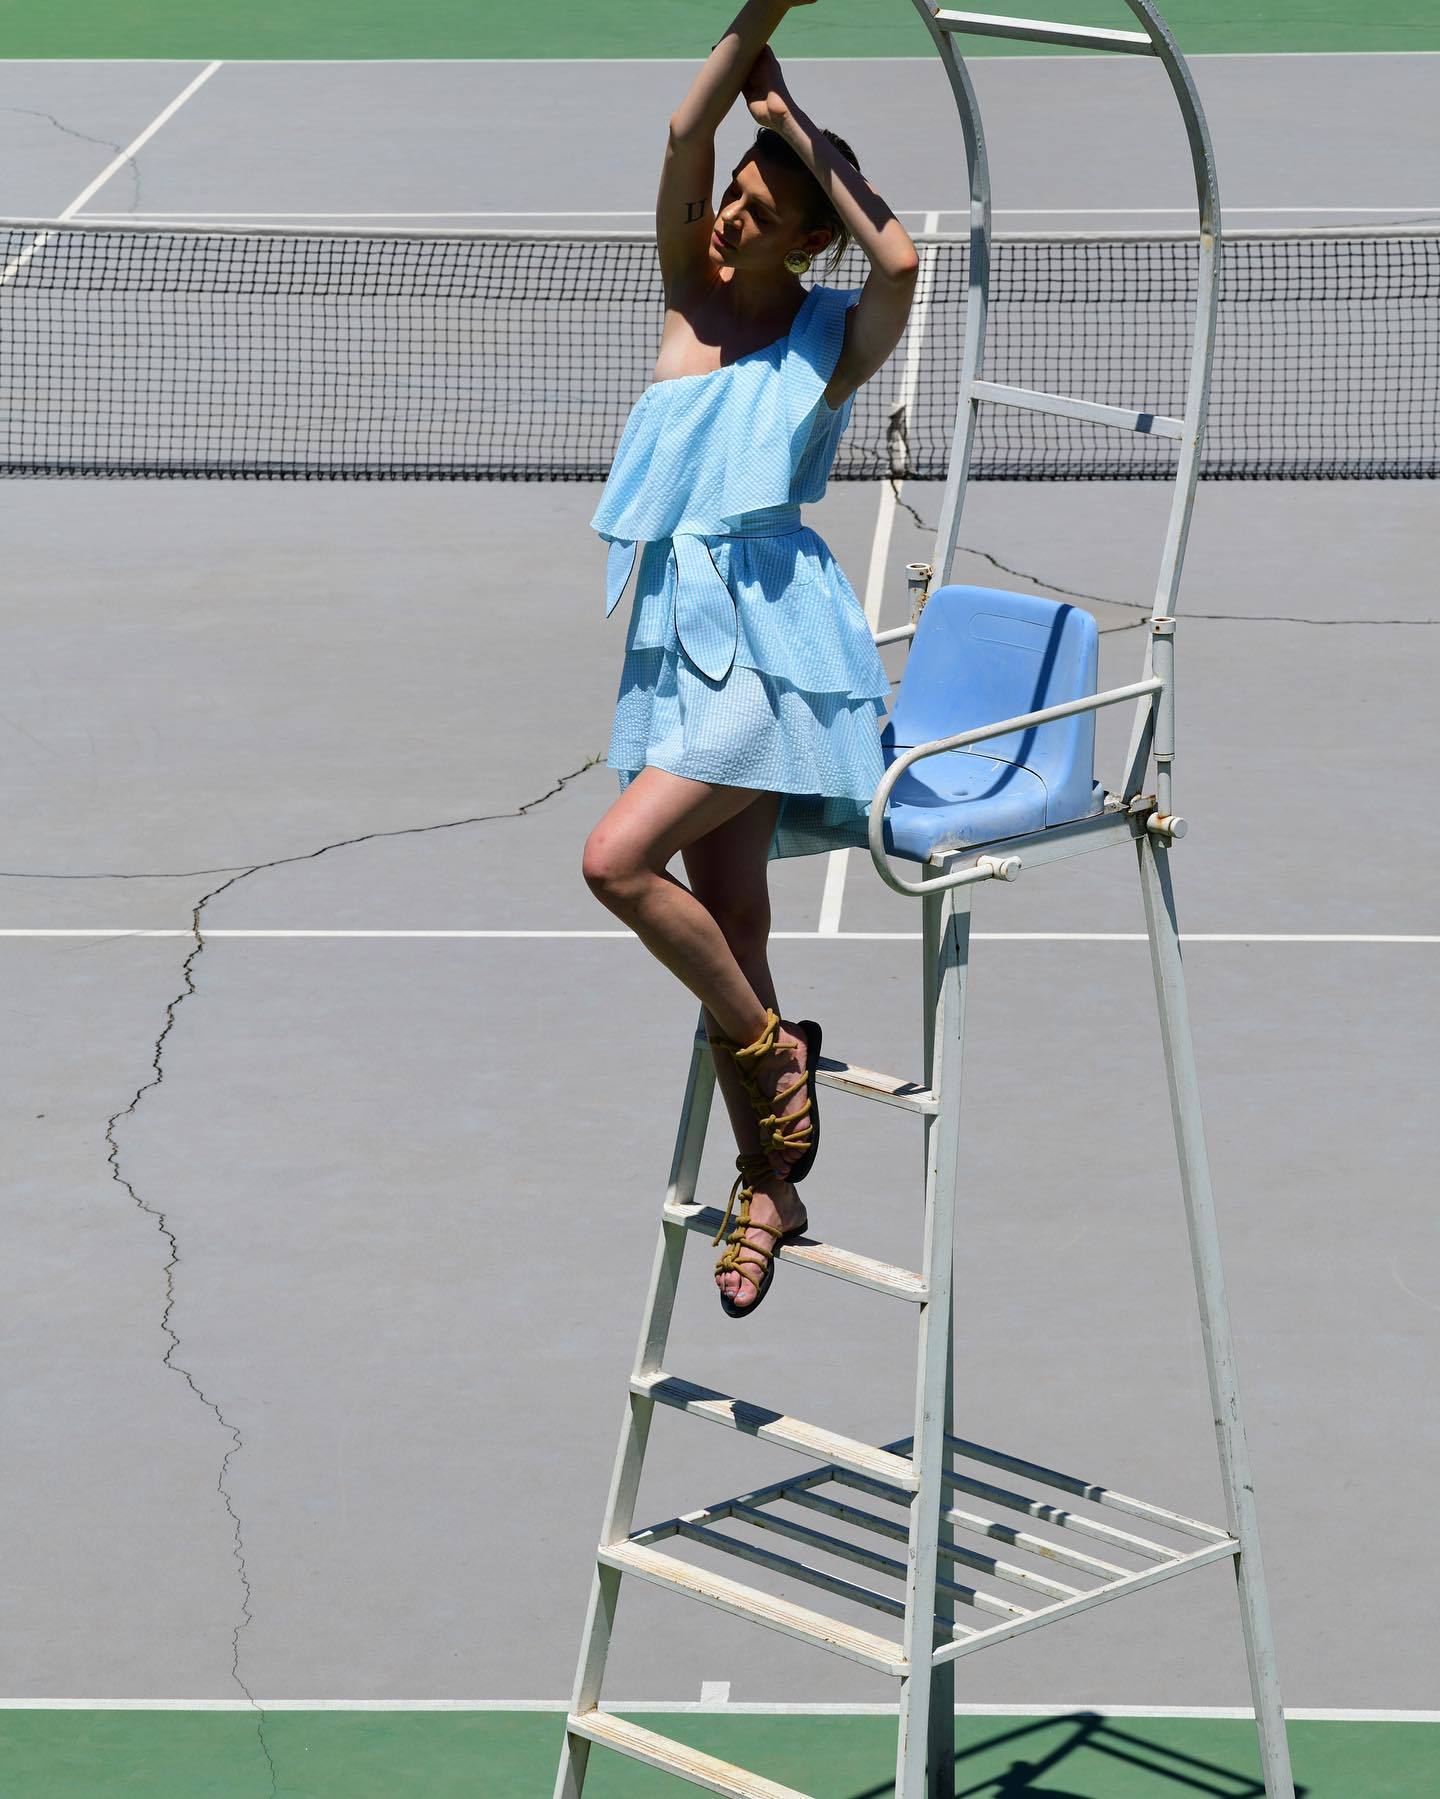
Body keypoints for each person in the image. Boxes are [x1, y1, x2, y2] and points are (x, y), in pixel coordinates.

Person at [581, 0, 919, 1317]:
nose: (727, 216)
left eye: (760, 210)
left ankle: (776, 1052)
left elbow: (900, 263)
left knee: (617, 863)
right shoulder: (689, 293)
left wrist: (795, 125)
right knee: (734, 923)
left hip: (775, 655)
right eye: (732, 194)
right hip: (679, 639)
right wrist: (760, 20)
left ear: (809, 237)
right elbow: (683, 130)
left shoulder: (833, 339)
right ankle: (771, 1188)